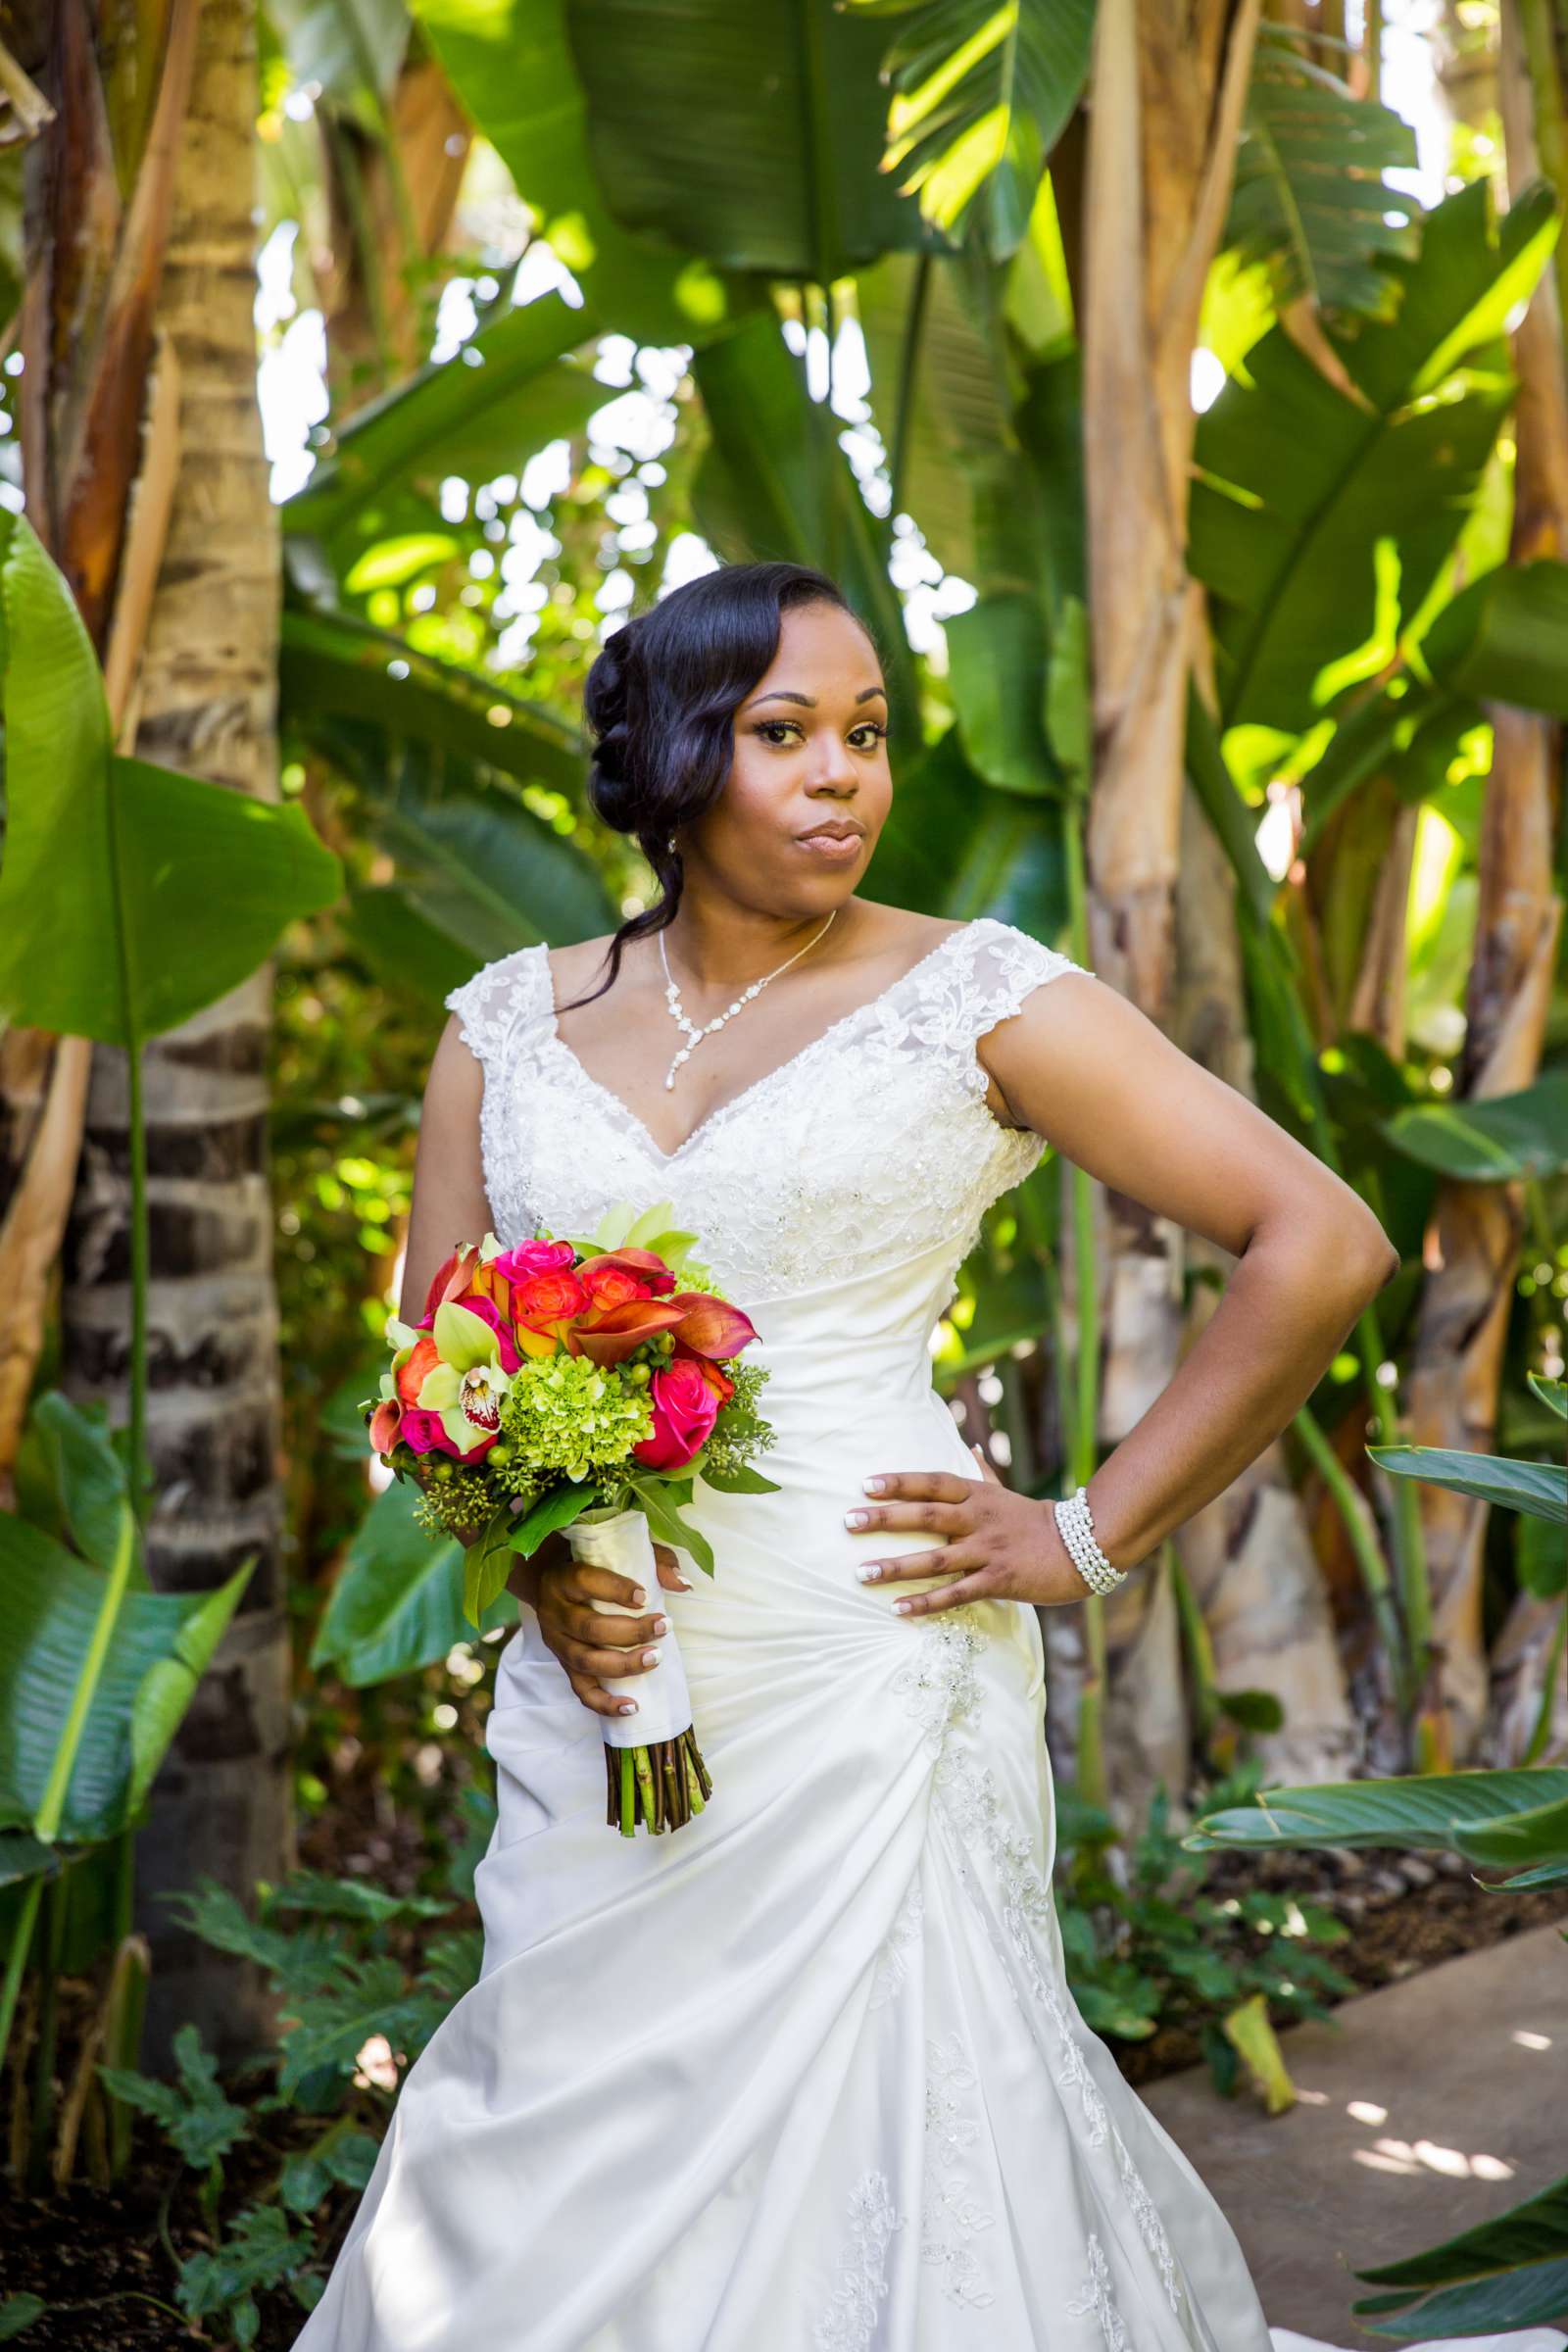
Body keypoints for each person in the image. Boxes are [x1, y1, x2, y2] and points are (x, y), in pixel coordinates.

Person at [295, 560, 1397, 2351]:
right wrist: (534, 1557)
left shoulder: (978, 998)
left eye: (868, 736)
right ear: (669, 757)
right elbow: (435, 1360)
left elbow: (1320, 1235)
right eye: (783, 733)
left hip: (874, 1648)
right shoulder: (506, 1022)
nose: (844, 777)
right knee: (569, 2106)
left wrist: (1084, 1533)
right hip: (614, 1681)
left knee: (910, 2106)